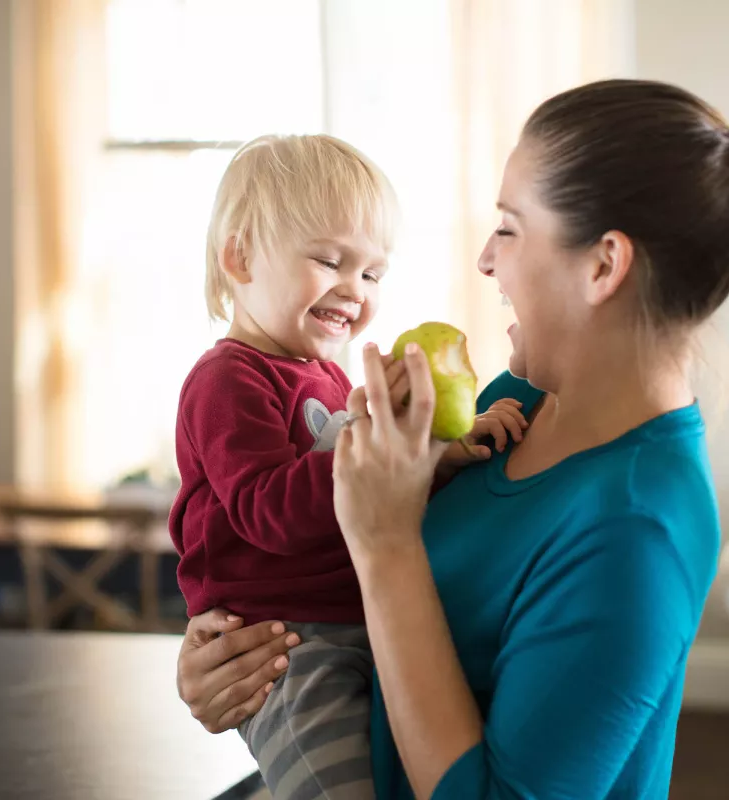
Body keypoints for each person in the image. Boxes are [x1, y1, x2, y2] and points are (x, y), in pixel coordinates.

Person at [176, 79, 728, 799]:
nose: (485, 262)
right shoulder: (514, 404)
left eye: (508, 227)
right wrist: (226, 662)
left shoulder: (637, 530)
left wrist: (386, 545)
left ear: (602, 266)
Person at [169, 133, 525, 799]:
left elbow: (378, 488)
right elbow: (267, 512)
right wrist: (377, 433)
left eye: (372, 274)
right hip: (289, 649)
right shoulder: (228, 380)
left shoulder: (328, 376)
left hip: (363, 623)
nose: (353, 290)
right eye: (330, 261)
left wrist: (440, 447)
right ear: (240, 257)